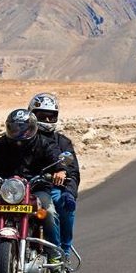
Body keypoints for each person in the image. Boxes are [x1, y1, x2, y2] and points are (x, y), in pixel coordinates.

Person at [0, 108, 66, 273]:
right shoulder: (0, 145)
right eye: (14, 128)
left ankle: (54, 255)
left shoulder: (44, 143)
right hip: (10, 192)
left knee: (49, 211)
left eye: (23, 128)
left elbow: (57, 160)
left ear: (32, 128)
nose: (18, 132)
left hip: (37, 189)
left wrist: (59, 170)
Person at [28, 93, 80, 257]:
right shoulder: (22, 137)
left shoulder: (62, 142)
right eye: (43, 116)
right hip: (21, 187)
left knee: (64, 204)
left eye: (52, 116)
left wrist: (69, 192)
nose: (48, 120)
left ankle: (62, 251)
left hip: (51, 187)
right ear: (32, 114)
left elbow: (72, 170)